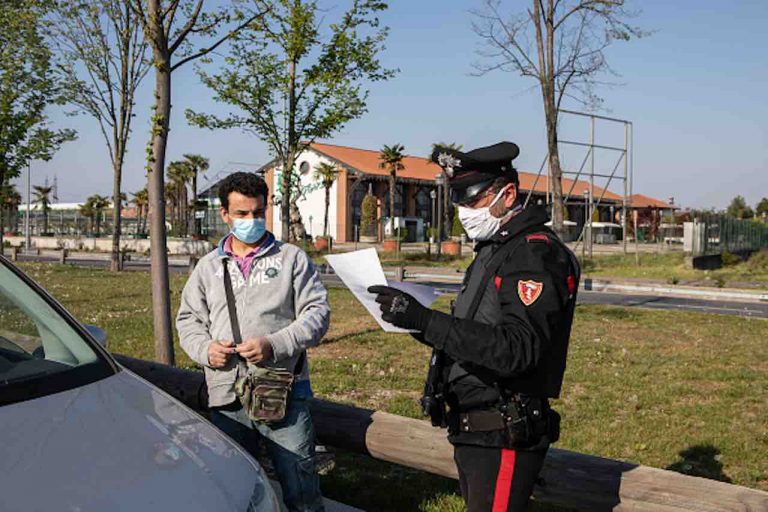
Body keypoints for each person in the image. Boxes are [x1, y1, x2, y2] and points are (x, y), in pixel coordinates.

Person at [368, 142, 580, 512]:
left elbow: (518, 349)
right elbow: (473, 332)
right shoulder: (494, 248)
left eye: (474, 201)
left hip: (504, 430)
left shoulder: (532, 253)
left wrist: (426, 320)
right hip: (475, 430)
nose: (464, 213)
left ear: (508, 194)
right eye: (459, 202)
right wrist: (413, 320)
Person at [177, 172, 329, 512]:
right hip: (226, 395)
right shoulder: (208, 267)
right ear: (225, 214)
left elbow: (318, 315)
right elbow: (188, 321)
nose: (252, 220)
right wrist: (206, 350)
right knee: (235, 490)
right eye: (242, 213)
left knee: (301, 489)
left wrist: (274, 344)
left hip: (283, 393)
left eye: (258, 212)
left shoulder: (291, 259)